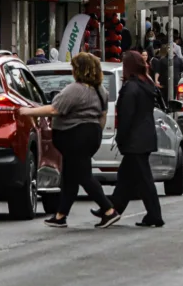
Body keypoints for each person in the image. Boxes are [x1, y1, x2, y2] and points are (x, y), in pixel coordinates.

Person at [18, 52, 118, 228]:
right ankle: (61, 215)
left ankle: (109, 210)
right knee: (70, 177)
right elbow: (102, 117)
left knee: (84, 176)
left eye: (74, 67)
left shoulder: (75, 89)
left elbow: (54, 110)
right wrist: (94, 134)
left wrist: (26, 111)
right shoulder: (101, 91)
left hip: (75, 137)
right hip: (91, 134)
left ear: (79, 69)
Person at [106, 51, 164, 227]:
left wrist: (121, 138)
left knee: (144, 180)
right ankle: (112, 210)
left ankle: (154, 215)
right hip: (144, 137)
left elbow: (126, 117)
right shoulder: (146, 84)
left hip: (134, 140)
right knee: (126, 177)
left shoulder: (131, 88)